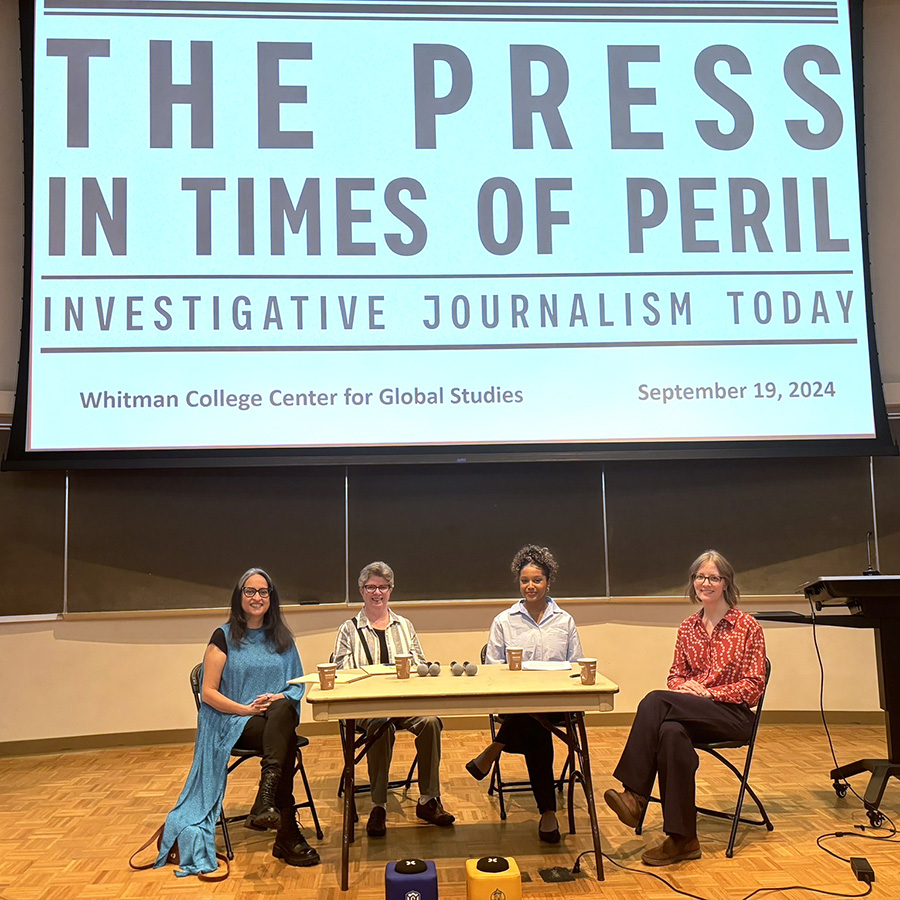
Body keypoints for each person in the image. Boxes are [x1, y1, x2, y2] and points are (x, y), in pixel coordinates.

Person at [604, 549, 766, 866]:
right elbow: (675, 675)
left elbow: (754, 687)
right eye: (699, 577)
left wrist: (710, 694)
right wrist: (685, 687)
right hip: (692, 713)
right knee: (670, 732)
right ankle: (683, 839)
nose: (705, 583)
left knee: (654, 700)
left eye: (713, 577)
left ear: (726, 583)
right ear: (693, 581)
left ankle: (635, 795)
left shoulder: (747, 627)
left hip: (732, 716)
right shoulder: (687, 628)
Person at [155, 568, 319, 876]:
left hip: (274, 722)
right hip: (235, 723)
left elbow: (296, 686)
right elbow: (208, 693)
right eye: (250, 591)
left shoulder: (282, 638)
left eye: (263, 592)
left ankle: (267, 798)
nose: (257, 597)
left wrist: (276, 699)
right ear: (239, 596)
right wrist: (246, 710)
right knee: (282, 742)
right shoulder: (223, 636)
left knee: (283, 713)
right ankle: (285, 829)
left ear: (271, 598)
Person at [465, 544, 583, 843]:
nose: (530, 586)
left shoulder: (565, 620)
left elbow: (576, 666)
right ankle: (548, 813)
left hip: (557, 702)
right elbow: (492, 667)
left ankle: (494, 749)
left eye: (537, 580)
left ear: (549, 582)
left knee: (536, 717)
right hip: (517, 703)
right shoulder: (505, 621)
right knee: (535, 722)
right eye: (525, 581)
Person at [332, 561, 455, 837]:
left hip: (404, 702)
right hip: (366, 706)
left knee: (431, 721)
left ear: (391, 590)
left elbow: (420, 664)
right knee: (380, 725)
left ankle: (428, 800)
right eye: (371, 587)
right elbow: (340, 672)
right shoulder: (348, 630)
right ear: (362, 591)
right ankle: (378, 805)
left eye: (383, 587)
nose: (378, 592)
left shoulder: (405, 626)